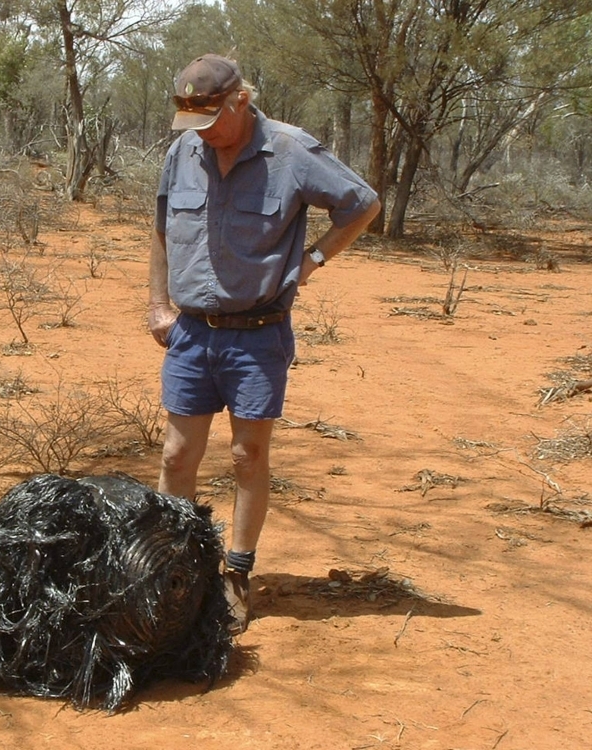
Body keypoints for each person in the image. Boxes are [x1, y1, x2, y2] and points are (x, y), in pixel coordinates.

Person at [148, 54, 381, 635]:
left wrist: (313, 259)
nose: (203, 133)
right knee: (176, 456)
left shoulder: (291, 150)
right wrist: (158, 304)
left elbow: (363, 203)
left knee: (247, 456)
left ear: (240, 101)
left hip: (257, 334)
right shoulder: (183, 151)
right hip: (191, 332)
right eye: (192, 122)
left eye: (211, 120)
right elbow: (161, 229)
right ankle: (176, 569)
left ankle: (236, 573)